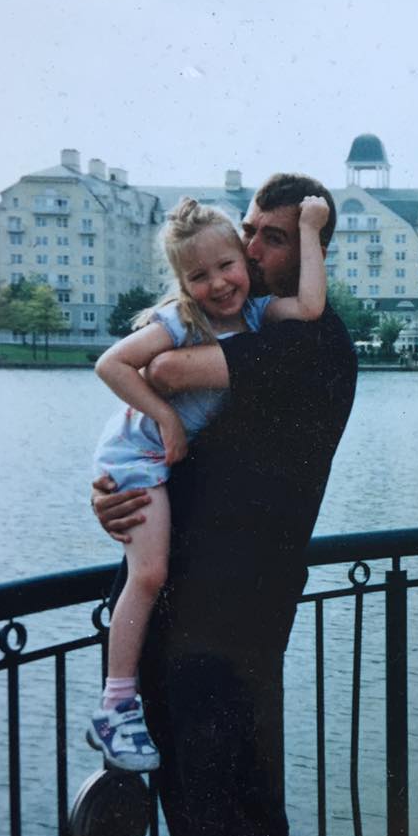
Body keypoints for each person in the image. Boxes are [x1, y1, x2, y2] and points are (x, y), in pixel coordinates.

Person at [92, 173, 357, 836]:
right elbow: (171, 449)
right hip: (211, 627)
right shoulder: (251, 334)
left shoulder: (310, 343)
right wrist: (117, 497)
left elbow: (167, 373)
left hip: (218, 636)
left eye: (273, 237)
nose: (249, 250)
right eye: (250, 230)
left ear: (310, 247)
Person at [87, 195, 330, 771]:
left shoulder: (254, 318)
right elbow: (110, 365)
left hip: (157, 465)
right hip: (137, 454)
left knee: (150, 572)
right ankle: (115, 704)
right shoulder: (180, 321)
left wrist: (313, 228)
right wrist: (167, 417)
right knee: (148, 574)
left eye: (228, 266)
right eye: (199, 275)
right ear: (181, 281)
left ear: (244, 263)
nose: (219, 283)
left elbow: (313, 307)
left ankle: (123, 701)